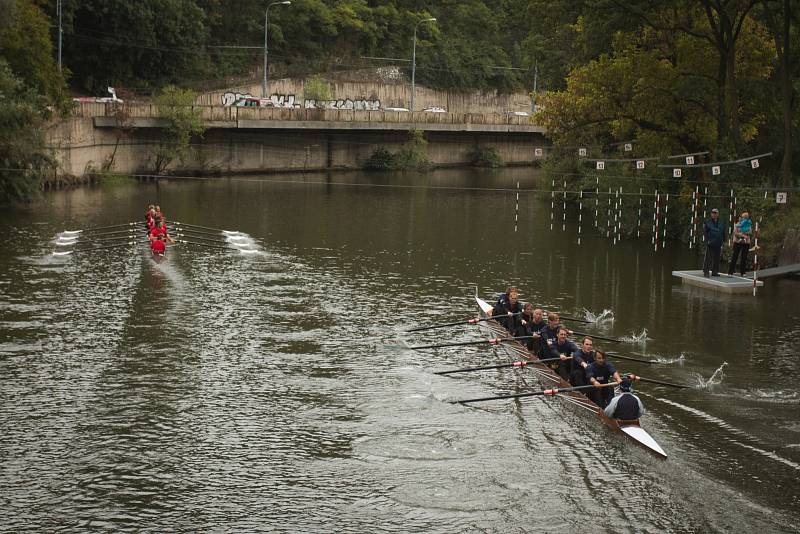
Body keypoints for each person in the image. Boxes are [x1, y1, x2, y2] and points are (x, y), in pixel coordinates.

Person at [702, 208, 726, 277]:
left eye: (715, 213)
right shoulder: (707, 222)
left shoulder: (721, 222)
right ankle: (706, 271)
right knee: (708, 258)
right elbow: (705, 233)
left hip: (719, 242)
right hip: (711, 242)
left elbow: (723, 231)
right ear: (711, 214)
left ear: (718, 214)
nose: (714, 214)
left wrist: (724, 240)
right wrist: (707, 241)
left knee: (717, 258)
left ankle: (715, 271)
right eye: (713, 213)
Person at [728, 211, 752, 276]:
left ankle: (743, 272)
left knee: (744, 258)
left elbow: (750, 232)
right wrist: (742, 235)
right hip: (737, 242)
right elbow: (735, 233)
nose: (741, 219)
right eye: (740, 218)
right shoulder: (737, 225)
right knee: (734, 257)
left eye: (743, 218)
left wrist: (744, 233)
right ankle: (730, 272)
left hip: (746, 243)